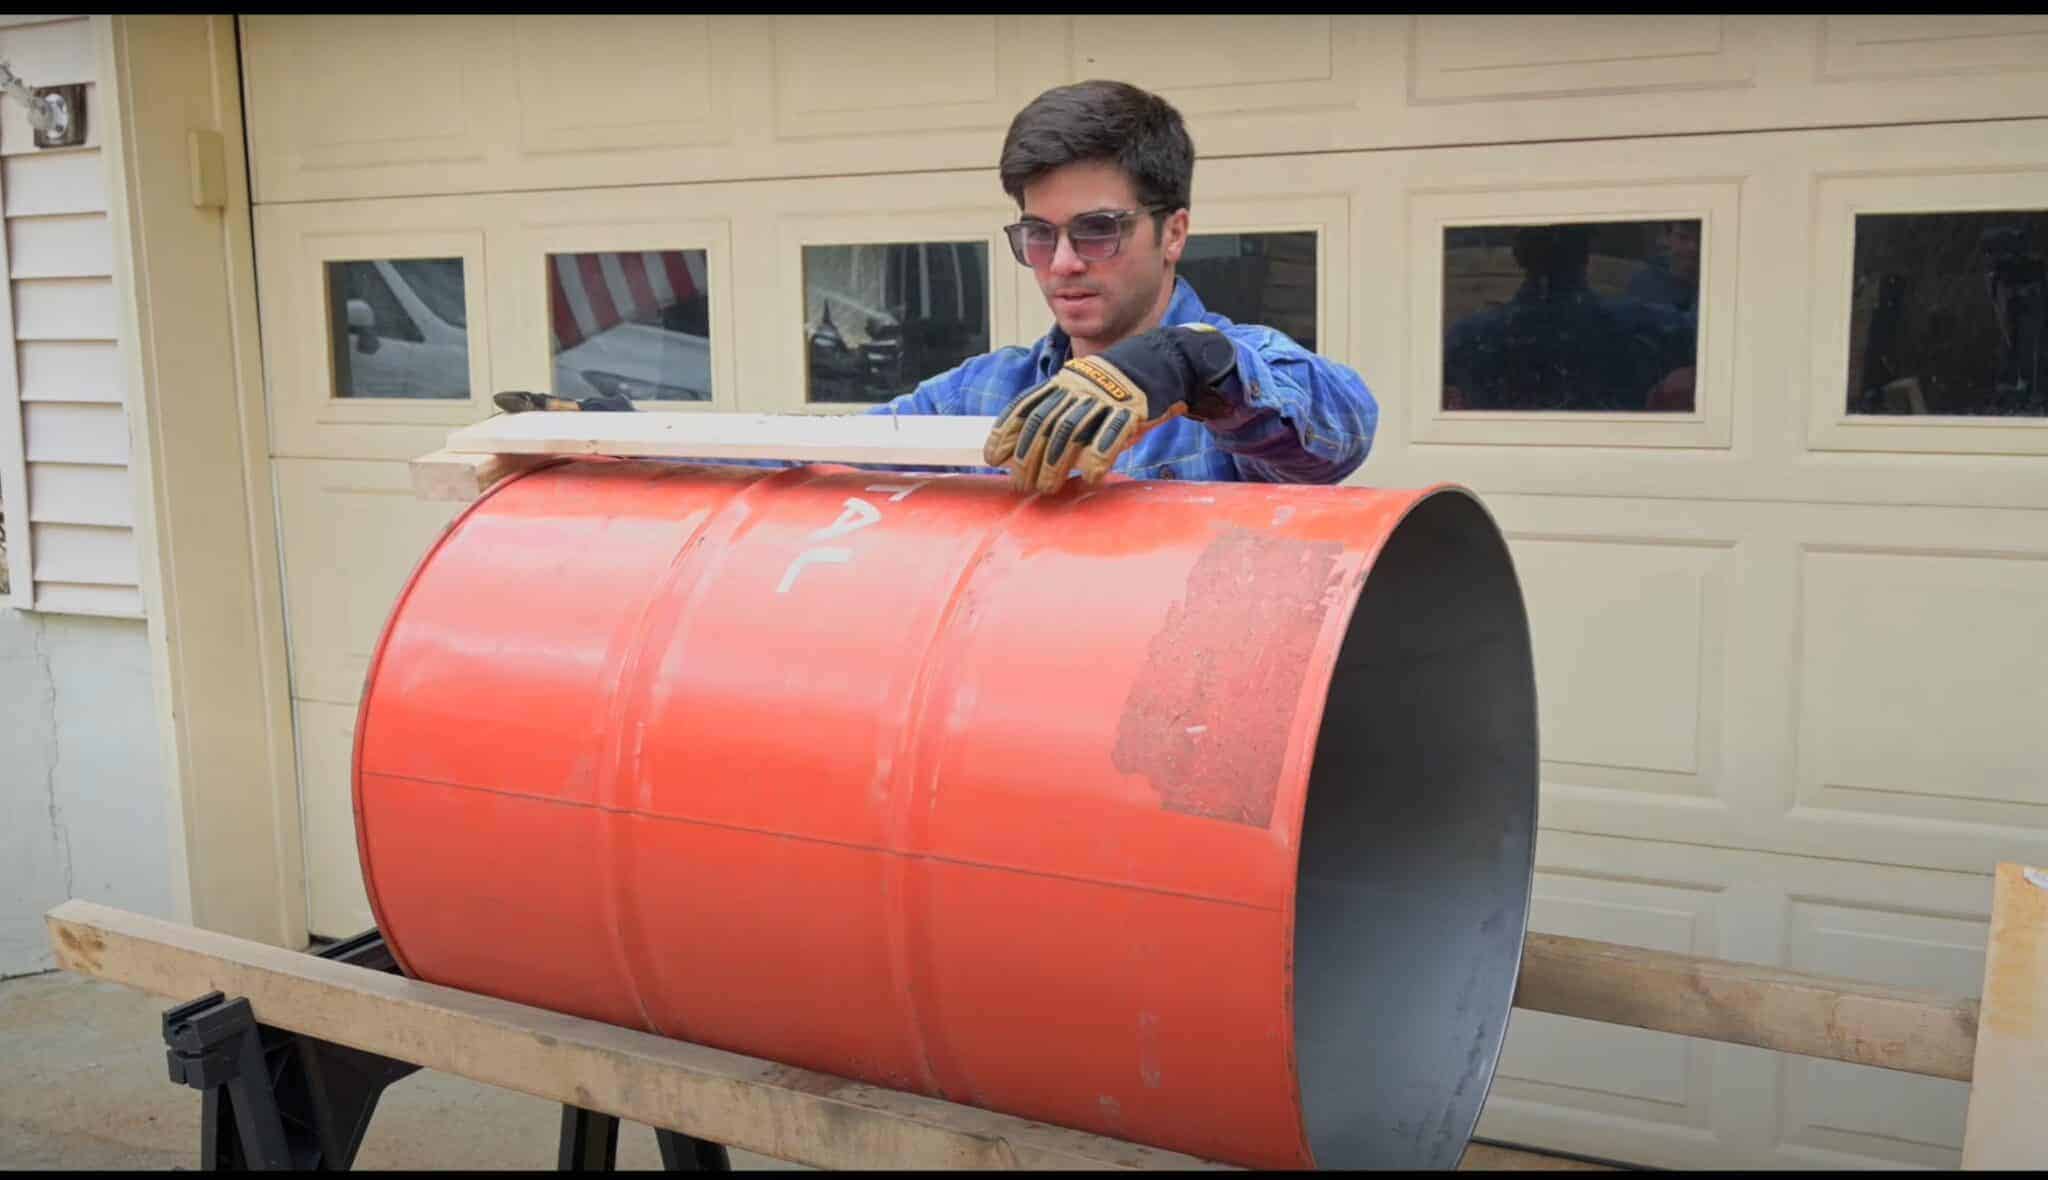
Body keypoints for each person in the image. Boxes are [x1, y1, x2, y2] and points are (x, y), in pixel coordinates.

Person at [498, 80, 1379, 493]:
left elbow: (1340, 432)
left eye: (1098, 230)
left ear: (1173, 229)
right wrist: (632, 441)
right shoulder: (982, 394)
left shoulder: (1235, 380)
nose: (1063, 263)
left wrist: (1185, 369)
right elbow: (812, 458)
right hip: (999, 745)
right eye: (1038, 234)